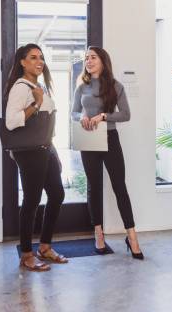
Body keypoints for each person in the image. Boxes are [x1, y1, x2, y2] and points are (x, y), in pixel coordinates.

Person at [72, 46, 144, 260]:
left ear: (103, 61)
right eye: (86, 58)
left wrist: (103, 116)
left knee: (119, 187)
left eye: (93, 57)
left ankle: (132, 237)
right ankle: (99, 235)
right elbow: (73, 111)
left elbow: (126, 115)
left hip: (110, 139)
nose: (88, 61)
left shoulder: (115, 86)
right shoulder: (81, 87)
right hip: (89, 140)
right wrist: (81, 118)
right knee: (94, 188)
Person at [4, 43, 68, 271]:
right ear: (22, 62)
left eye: (41, 57)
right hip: (30, 152)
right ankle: (27, 254)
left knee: (57, 194)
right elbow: (11, 122)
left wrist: (54, 151)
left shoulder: (37, 85)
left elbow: (45, 126)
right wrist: (36, 103)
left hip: (45, 148)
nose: (39, 61)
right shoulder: (21, 88)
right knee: (31, 200)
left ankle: (45, 246)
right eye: (33, 57)